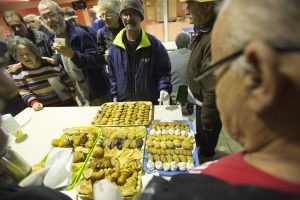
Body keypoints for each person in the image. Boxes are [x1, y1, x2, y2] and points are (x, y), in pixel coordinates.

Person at [38, 0, 110, 106]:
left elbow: (96, 61)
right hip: (79, 89)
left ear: (61, 14)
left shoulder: (80, 34)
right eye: (45, 17)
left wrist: (72, 55)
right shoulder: (55, 36)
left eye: (52, 14)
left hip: (95, 89)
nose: (49, 20)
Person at [108, 0, 172, 104]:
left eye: (133, 13)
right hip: (125, 106)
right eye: (125, 14)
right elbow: (112, 77)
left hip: (150, 105)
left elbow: (163, 72)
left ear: (140, 16)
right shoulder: (114, 49)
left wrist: (164, 88)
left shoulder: (154, 45)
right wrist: (114, 95)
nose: (128, 18)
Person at [181, 0, 222, 158]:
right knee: (201, 141)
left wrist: (207, 121)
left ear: (207, 5)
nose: (186, 11)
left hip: (208, 107)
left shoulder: (214, 38)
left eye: (190, 5)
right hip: (201, 104)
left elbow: (212, 87)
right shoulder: (205, 29)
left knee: (205, 151)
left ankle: (205, 167)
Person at [8, 36, 77, 111]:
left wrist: (72, 91)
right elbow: (24, 91)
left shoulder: (51, 63)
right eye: (20, 55)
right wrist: (33, 102)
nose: (25, 57)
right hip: (45, 109)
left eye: (27, 53)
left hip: (67, 103)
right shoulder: (17, 71)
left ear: (34, 52)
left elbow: (67, 79)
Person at [0, 41, 27, 116]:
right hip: (6, 101)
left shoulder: (2, 45)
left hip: (18, 93)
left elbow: (13, 60)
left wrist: (17, 66)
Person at [168, 32, 191, 97]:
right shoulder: (194, 55)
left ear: (176, 43)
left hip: (171, 96)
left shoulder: (168, 56)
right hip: (190, 97)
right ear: (189, 43)